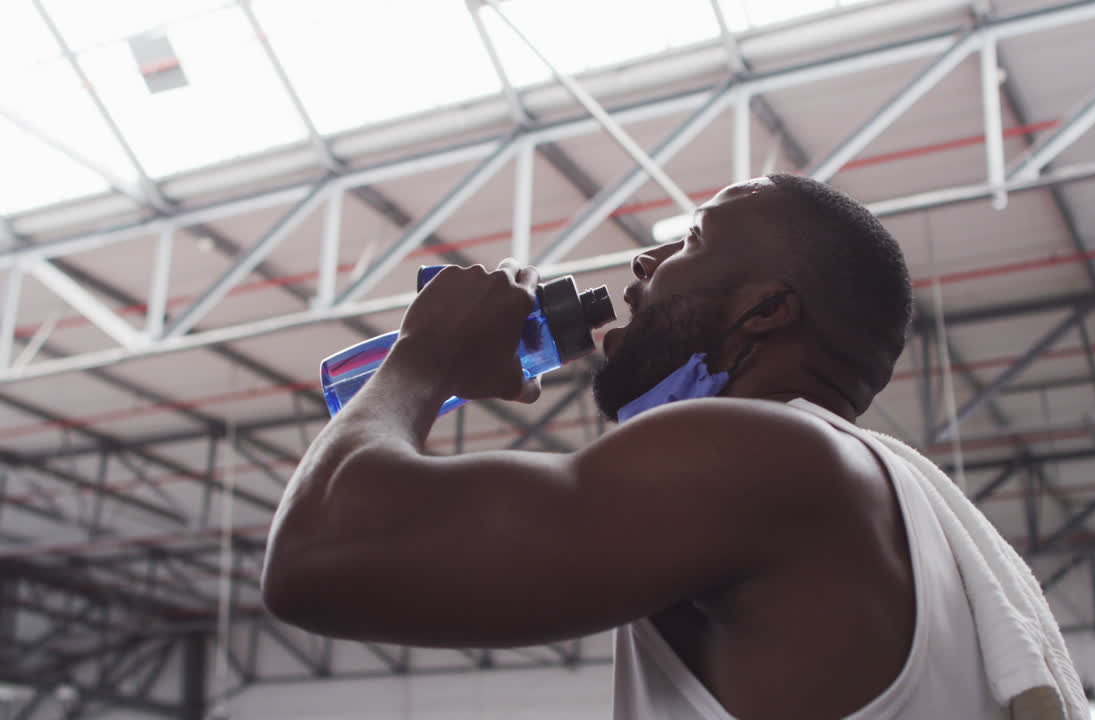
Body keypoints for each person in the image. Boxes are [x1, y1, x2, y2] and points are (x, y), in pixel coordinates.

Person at [262, 175, 1036, 719]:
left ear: (766, 309)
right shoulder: (899, 512)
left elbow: (318, 552)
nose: (645, 260)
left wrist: (425, 357)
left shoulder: (761, 452)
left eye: (693, 239)